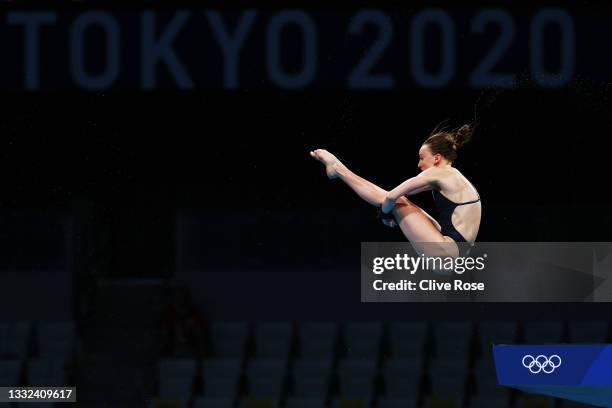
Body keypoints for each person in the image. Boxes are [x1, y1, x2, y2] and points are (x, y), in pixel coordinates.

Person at [310, 124, 481, 258]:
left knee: (395, 200)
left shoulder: (439, 173)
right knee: (400, 201)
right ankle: (338, 169)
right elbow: (394, 196)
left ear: (436, 158)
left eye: (422, 158)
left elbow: (391, 196)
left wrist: (385, 214)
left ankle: (338, 169)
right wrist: (387, 209)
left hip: (445, 253)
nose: (419, 164)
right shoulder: (453, 177)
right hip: (454, 253)